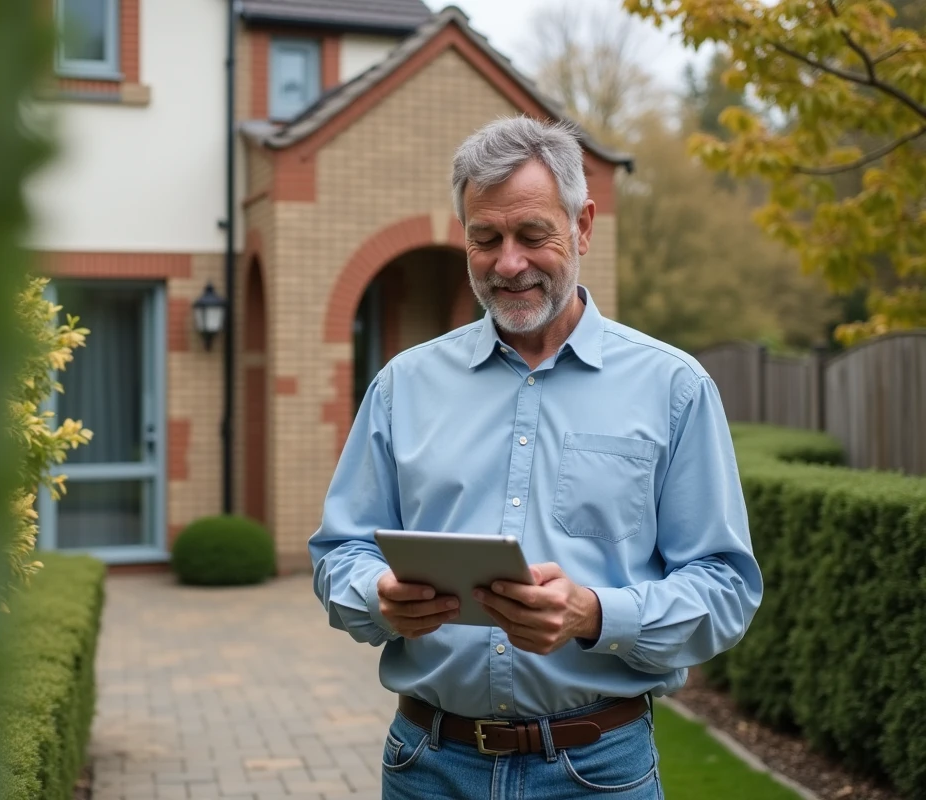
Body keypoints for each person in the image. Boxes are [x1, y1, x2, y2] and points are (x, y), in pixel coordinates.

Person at [307, 116, 762, 799]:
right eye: (484, 238)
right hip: (427, 767)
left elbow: (725, 588)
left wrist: (596, 615)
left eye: (531, 235)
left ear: (581, 225)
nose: (508, 262)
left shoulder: (672, 388)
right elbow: (339, 550)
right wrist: (377, 597)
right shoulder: (404, 385)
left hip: (598, 772)